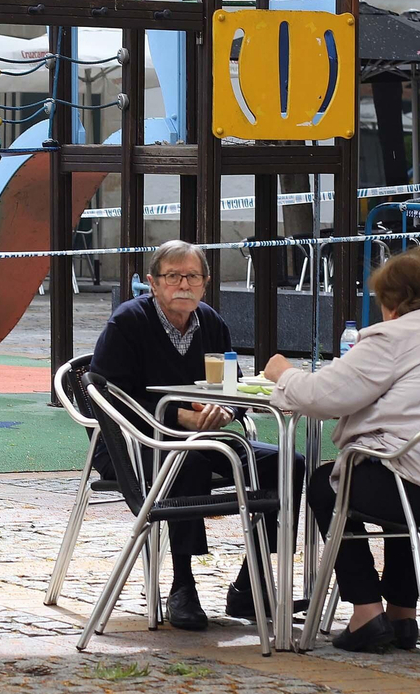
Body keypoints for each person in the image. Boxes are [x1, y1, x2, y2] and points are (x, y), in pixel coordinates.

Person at [263, 245, 420, 653]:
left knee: (327, 485)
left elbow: (323, 396)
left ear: (393, 300)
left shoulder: (394, 336)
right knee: (398, 468)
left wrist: (283, 373)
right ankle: (401, 614)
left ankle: (366, 612)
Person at [90, 239, 304, 631]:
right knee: (185, 462)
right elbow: (107, 397)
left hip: (201, 441)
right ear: (153, 282)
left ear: (205, 283)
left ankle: (250, 583)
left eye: (192, 276)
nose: (183, 285)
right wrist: (178, 416)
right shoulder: (128, 322)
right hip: (132, 443)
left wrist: (227, 411)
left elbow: (233, 387)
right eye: (173, 276)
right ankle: (182, 585)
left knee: (288, 462)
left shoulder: (211, 322)